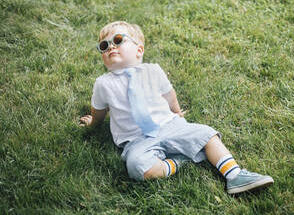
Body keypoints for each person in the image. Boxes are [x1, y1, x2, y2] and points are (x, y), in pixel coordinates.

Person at [79, 21, 274, 194]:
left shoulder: (153, 70)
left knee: (208, 134)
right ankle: (179, 161)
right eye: (104, 46)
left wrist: (177, 112)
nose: (111, 46)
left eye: (118, 40)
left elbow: (169, 95)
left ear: (139, 50)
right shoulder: (103, 83)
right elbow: (99, 111)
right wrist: (92, 124)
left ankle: (235, 175)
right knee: (137, 168)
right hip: (136, 141)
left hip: (169, 125)